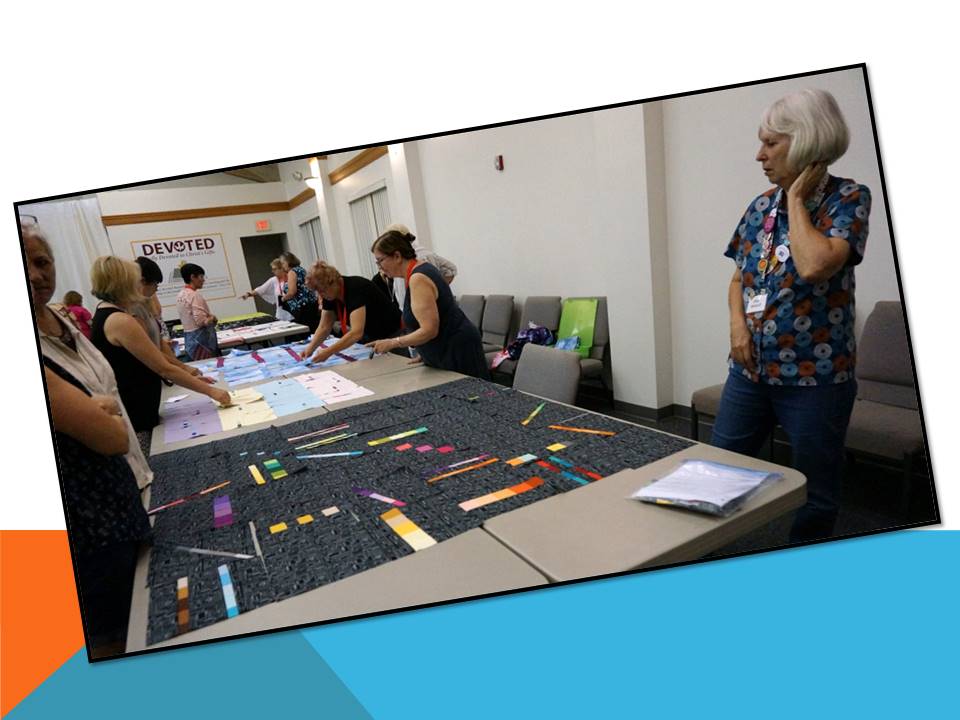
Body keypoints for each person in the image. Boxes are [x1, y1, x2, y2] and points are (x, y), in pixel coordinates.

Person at [712, 88, 871, 543]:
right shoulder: (760, 205)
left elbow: (815, 264)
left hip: (816, 379)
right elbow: (739, 278)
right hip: (750, 372)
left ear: (805, 142)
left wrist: (797, 198)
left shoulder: (848, 198)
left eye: (771, 143)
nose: (759, 155)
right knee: (719, 470)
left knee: (816, 493)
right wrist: (737, 327)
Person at [24, 221, 154, 490]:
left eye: (42, 262)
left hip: (125, 470)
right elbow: (110, 435)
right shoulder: (118, 319)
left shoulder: (63, 318)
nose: (35, 276)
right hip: (90, 486)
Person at [43, 357, 151, 658]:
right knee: (122, 632)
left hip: (103, 526)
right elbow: (114, 438)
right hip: (97, 532)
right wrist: (105, 412)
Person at [90, 256, 231, 441]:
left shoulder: (109, 313)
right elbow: (163, 367)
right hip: (135, 408)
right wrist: (212, 392)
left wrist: (187, 373)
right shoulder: (120, 320)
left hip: (138, 402)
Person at [369, 230, 489, 379]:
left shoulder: (418, 278)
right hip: (445, 347)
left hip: (455, 349)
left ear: (397, 256)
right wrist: (425, 351)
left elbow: (429, 330)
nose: (379, 267)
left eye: (380, 260)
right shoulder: (418, 271)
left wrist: (393, 342)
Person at [300, 261, 401, 363]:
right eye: (317, 292)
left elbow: (356, 333)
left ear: (333, 281)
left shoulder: (356, 288)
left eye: (322, 290)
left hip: (393, 334)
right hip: (372, 337)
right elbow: (324, 327)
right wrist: (310, 348)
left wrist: (328, 352)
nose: (321, 295)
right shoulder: (329, 293)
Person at [132, 256, 205, 379]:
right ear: (143, 281)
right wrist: (184, 370)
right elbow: (153, 353)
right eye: (155, 284)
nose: (156, 288)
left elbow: (157, 342)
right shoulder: (133, 312)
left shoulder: (145, 304)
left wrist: (182, 369)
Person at [376, 224, 458, 312]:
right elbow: (451, 269)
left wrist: (436, 290)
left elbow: (451, 269)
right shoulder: (421, 253)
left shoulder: (415, 259)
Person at [176, 262, 221, 360]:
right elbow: (201, 322)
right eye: (201, 276)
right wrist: (212, 318)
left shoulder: (180, 294)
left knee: (196, 365)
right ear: (192, 277)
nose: (203, 280)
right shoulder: (194, 295)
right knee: (209, 365)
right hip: (200, 341)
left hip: (189, 338)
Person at [277, 251, 320, 332]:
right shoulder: (301, 269)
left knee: (306, 330)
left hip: (302, 307)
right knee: (314, 327)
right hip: (311, 303)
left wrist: (283, 299)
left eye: (283, 263)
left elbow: (292, 292)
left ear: (288, 262)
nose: (282, 266)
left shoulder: (292, 272)